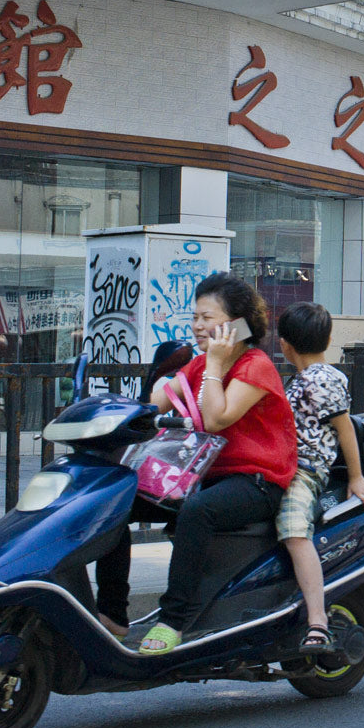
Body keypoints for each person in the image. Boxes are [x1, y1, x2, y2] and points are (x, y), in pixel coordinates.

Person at [96, 273, 297, 654]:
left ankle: (174, 620)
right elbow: (157, 402)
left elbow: (218, 417)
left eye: (208, 317)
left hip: (257, 482)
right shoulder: (202, 364)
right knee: (113, 503)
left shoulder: (255, 367)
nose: (198, 326)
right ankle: (112, 615)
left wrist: (216, 366)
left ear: (237, 323)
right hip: (207, 476)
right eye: (195, 318)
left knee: (197, 512)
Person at [276, 303, 364, 653]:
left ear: (284, 344)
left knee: (294, 531)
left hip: (306, 472)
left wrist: (357, 476)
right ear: (329, 339)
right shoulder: (304, 379)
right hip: (283, 467)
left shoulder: (323, 378)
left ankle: (318, 621)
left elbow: (344, 427)